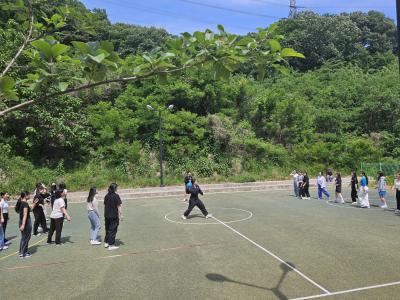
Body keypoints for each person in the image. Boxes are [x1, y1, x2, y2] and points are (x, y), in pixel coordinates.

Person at [104, 183, 123, 250]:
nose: (117, 188)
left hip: (106, 215)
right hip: (113, 216)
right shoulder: (116, 196)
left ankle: (106, 242)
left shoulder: (106, 196)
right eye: (117, 187)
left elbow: (105, 204)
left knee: (107, 229)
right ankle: (111, 245)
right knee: (113, 230)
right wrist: (121, 214)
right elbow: (119, 206)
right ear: (115, 188)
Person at [15, 192, 32, 257]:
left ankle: (22, 252)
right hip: (25, 222)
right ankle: (23, 253)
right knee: (26, 237)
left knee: (24, 237)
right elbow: (25, 214)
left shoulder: (21, 202)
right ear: (25, 196)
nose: (30, 196)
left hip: (22, 221)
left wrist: (34, 203)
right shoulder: (24, 203)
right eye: (29, 195)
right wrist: (23, 224)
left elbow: (30, 210)